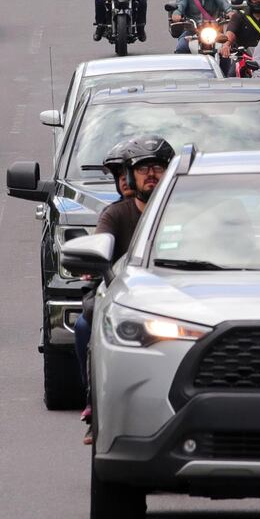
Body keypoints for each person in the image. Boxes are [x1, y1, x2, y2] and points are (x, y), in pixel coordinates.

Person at [76, 135, 175, 443]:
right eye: (143, 169)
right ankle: (96, 404)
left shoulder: (184, 213)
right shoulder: (115, 215)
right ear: (131, 176)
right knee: (85, 324)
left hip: (177, 302)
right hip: (126, 300)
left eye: (158, 168)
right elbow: (98, 249)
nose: (151, 175)